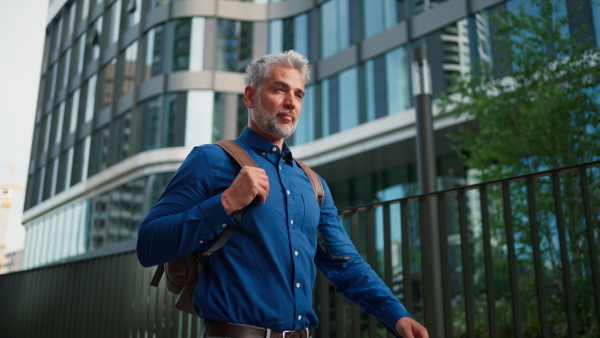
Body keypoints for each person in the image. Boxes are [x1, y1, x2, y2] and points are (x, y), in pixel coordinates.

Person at [137, 50, 428, 338]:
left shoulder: (313, 185)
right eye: (280, 89)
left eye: (299, 94)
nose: (291, 102)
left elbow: (346, 265)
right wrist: (225, 203)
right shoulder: (209, 161)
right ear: (250, 97)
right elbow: (148, 244)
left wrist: (396, 315)